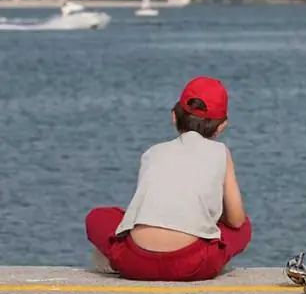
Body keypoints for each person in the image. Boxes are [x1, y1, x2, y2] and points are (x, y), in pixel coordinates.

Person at [84, 76, 252, 281]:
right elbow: (236, 220)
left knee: (98, 217)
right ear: (221, 126)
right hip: (192, 265)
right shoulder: (220, 152)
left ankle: (113, 259)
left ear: (174, 116)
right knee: (243, 227)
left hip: (136, 262)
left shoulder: (153, 152)